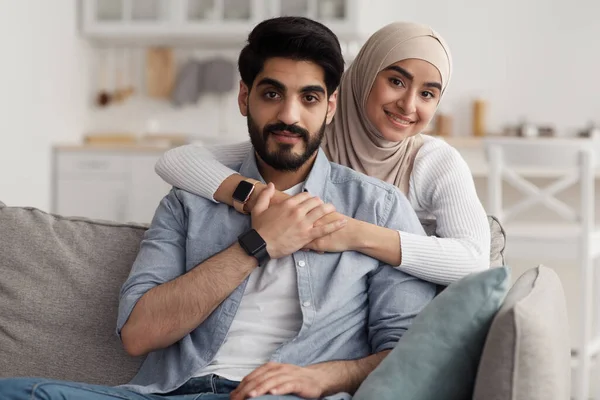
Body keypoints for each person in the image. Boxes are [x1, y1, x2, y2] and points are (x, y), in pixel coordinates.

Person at [0, 17, 435, 400]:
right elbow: (138, 334)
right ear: (244, 98)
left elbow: (415, 352)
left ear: (331, 106)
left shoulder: (377, 209)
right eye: (271, 94)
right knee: (15, 391)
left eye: (309, 98)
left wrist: (326, 377)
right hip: (169, 392)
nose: (289, 115)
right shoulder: (189, 201)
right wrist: (257, 244)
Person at [155, 21, 491, 286]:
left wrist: (353, 233)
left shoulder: (433, 160)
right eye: (397, 82)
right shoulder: (308, 140)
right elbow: (177, 160)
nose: (409, 104)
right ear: (363, 76)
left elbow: (475, 260)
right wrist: (261, 197)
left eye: (428, 93)